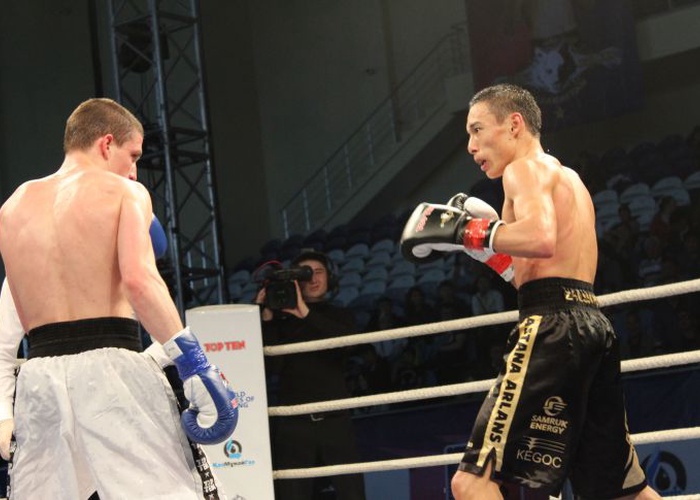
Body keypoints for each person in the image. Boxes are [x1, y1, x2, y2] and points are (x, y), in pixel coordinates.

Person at [399, 84, 659, 499]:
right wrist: (489, 252)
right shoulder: (570, 180)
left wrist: (467, 231)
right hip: (591, 325)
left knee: (471, 482)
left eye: (477, 129)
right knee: (623, 491)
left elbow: (540, 238)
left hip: (553, 328)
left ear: (514, 124)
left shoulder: (523, 170)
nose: (470, 146)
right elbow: (541, 274)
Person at [0, 98, 238, 499]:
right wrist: (194, 363)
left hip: (39, 381)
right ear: (106, 143)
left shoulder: (13, 208)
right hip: (110, 372)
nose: (133, 170)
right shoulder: (124, 192)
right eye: (133, 155)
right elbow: (140, 283)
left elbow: (12, 321)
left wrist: (4, 412)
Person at [255, 249, 366, 500]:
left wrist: (305, 312)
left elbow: (347, 345)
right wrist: (267, 319)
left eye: (318, 272)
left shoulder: (341, 315)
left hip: (335, 419)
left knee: (352, 492)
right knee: (292, 493)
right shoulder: (280, 322)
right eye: (305, 275)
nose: (313, 279)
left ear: (330, 277)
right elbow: (272, 368)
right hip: (294, 422)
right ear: (295, 283)